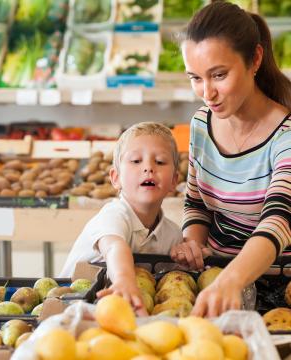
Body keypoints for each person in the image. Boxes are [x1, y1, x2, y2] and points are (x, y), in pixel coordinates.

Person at [170, 0, 291, 317]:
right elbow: (196, 203)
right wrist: (193, 246)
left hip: (279, 291)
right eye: (195, 78)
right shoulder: (200, 124)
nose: (207, 93)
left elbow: (278, 221)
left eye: (219, 75)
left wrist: (233, 280)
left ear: (255, 60)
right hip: (215, 283)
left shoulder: (285, 136)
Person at [60, 122, 183, 314]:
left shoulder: (173, 235)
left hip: (117, 314)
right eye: (136, 161)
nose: (148, 168)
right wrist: (124, 279)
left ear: (174, 181)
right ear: (115, 178)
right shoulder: (113, 215)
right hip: (68, 308)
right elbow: (114, 247)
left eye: (159, 162)